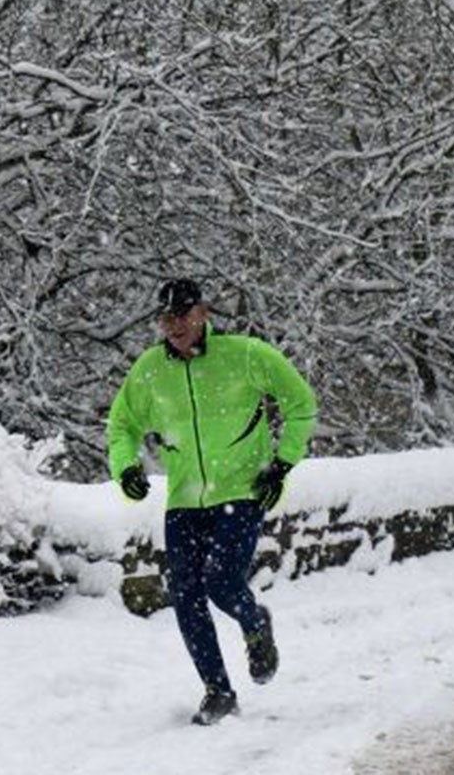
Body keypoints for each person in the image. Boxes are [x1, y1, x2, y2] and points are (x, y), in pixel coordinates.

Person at [106, 277, 318, 726]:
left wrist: (282, 464)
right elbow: (121, 425)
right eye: (165, 318)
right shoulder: (149, 370)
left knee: (221, 581)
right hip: (183, 498)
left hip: (242, 490)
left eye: (182, 315)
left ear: (203, 313)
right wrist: (126, 467)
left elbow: (301, 403)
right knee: (185, 595)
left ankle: (254, 622)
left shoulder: (245, 355)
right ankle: (218, 691)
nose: (174, 326)